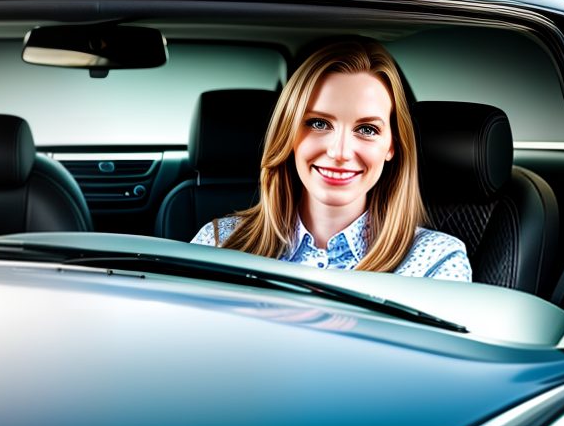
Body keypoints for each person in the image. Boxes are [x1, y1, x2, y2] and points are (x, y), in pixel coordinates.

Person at [192, 38, 471, 281]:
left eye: (366, 129)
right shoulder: (218, 243)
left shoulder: (435, 262)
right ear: (288, 133)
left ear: (392, 146)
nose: (339, 152)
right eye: (318, 123)